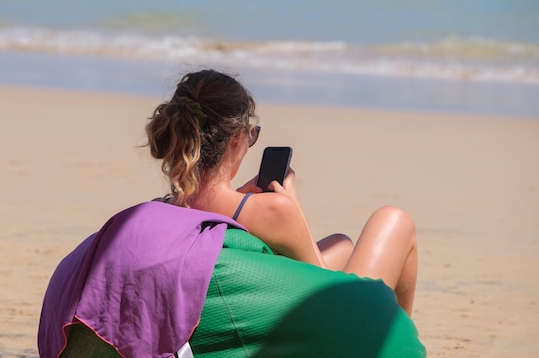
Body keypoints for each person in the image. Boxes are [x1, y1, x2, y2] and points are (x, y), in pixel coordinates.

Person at [146, 69, 418, 316]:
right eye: (252, 134)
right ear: (237, 138)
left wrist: (241, 198)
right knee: (394, 220)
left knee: (342, 245)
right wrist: (290, 204)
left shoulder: (162, 209)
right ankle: (399, 342)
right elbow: (328, 294)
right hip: (319, 333)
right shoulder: (272, 211)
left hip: (226, 325)